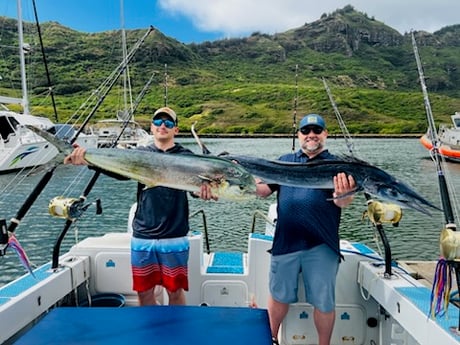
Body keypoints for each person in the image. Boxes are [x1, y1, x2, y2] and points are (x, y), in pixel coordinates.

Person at [64, 106, 214, 306]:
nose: (163, 126)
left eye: (168, 123)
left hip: (175, 234)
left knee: (175, 291)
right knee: (144, 293)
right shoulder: (140, 154)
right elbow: (121, 172)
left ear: (176, 130)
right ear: (151, 127)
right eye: (158, 122)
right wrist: (88, 160)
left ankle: (175, 335)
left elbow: (194, 188)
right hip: (143, 233)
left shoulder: (187, 157)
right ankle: (151, 334)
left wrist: (202, 192)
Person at [255, 114, 356, 345]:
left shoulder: (337, 166)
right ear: (299, 135)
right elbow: (262, 191)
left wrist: (343, 195)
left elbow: (343, 202)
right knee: (278, 297)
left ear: (325, 134)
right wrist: (237, 175)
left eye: (317, 130)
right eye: (306, 131)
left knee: (324, 302)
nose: (311, 135)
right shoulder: (284, 160)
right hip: (285, 241)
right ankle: (269, 339)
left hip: (321, 244)